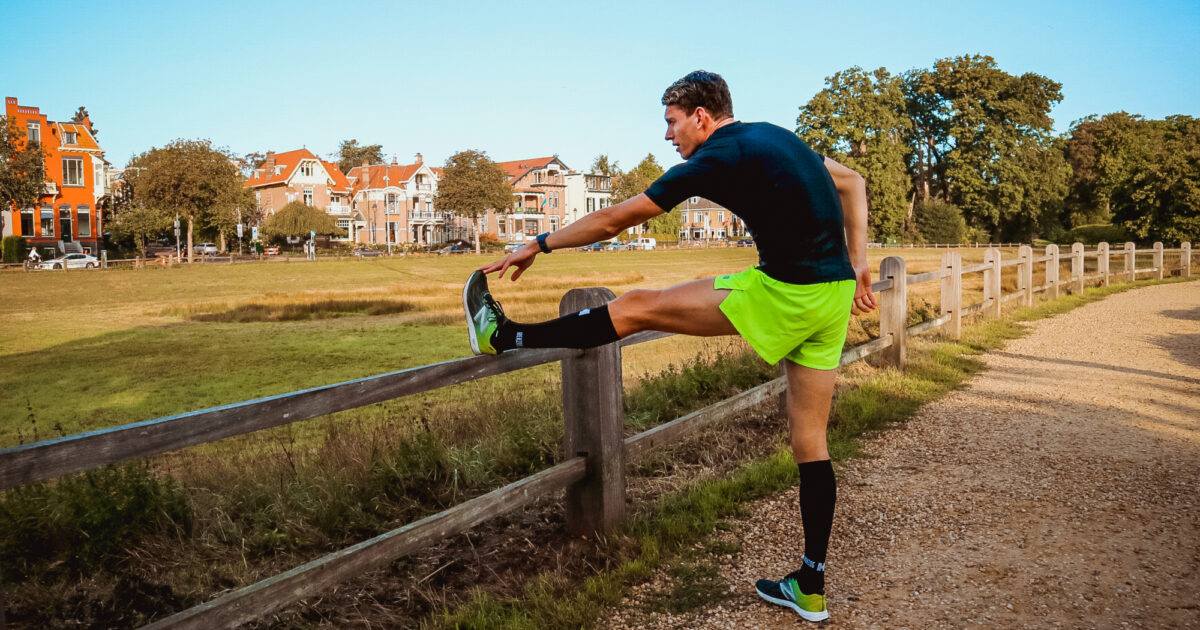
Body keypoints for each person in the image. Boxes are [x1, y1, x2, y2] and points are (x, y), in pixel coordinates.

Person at [464, 70, 877, 622]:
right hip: (832, 297)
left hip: (790, 293)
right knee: (810, 440)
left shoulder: (713, 159)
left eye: (671, 122)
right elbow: (851, 181)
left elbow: (615, 220)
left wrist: (537, 242)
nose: (667, 136)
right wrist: (861, 264)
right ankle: (811, 585)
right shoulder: (777, 136)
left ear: (701, 117)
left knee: (636, 306)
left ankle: (504, 336)